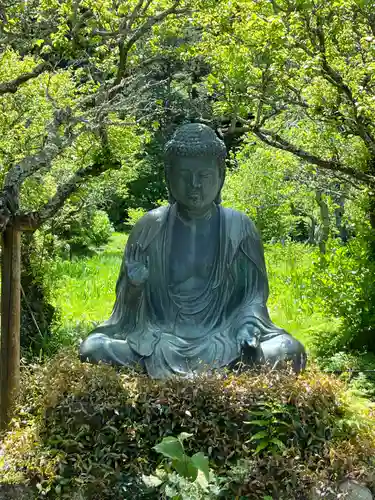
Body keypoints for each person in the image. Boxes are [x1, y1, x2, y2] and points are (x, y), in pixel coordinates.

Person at [80, 123, 306, 378]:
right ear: (168, 177)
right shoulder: (149, 227)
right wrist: (134, 287)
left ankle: (233, 362)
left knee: (290, 350)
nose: (194, 184)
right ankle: (228, 372)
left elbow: (252, 299)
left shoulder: (240, 228)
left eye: (205, 176)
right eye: (184, 175)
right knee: (94, 349)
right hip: (159, 340)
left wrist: (248, 329)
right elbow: (125, 316)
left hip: (222, 339)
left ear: (221, 176)